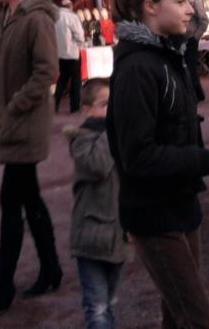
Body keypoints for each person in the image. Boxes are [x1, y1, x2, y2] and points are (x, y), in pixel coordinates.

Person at [107, 0, 209, 329]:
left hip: (182, 204)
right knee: (197, 319)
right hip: (154, 212)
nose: (191, 9)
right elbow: (138, 156)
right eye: (181, 1)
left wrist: (188, 44)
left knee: (180, 316)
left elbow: (182, 121)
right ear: (150, 6)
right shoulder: (139, 69)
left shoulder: (170, 58)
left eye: (190, 1)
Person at [0, 0, 62, 318]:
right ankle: (51, 268)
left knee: (12, 204)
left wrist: (13, 106)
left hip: (25, 124)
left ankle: (3, 287)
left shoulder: (36, 20)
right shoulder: (5, 18)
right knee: (29, 199)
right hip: (8, 121)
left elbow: (47, 72)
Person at [64, 78, 126, 329]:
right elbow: (97, 166)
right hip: (90, 236)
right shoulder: (82, 140)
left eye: (114, 105)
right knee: (98, 308)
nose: (110, 111)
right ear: (86, 109)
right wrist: (112, 130)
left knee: (108, 302)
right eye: (104, 105)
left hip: (118, 236)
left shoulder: (121, 138)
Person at [54, 0, 86, 113]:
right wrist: (80, 43)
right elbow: (79, 36)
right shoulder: (72, 17)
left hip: (60, 54)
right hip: (72, 54)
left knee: (62, 79)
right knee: (76, 81)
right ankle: (75, 107)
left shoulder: (55, 17)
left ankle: (54, 104)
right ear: (70, 6)